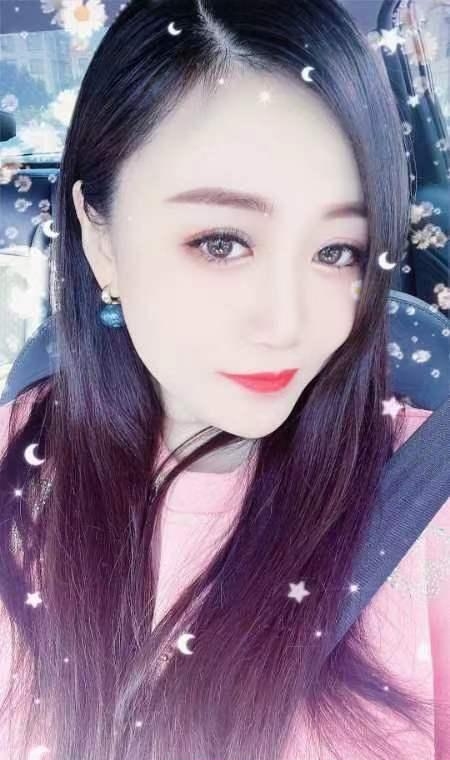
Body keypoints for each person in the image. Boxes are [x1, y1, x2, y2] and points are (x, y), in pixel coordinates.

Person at [0, 0, 449, 758]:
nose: (286, 322)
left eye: (337, 251)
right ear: (100, 239)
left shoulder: (428, 497)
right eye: (220, 242)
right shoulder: (13, 474)